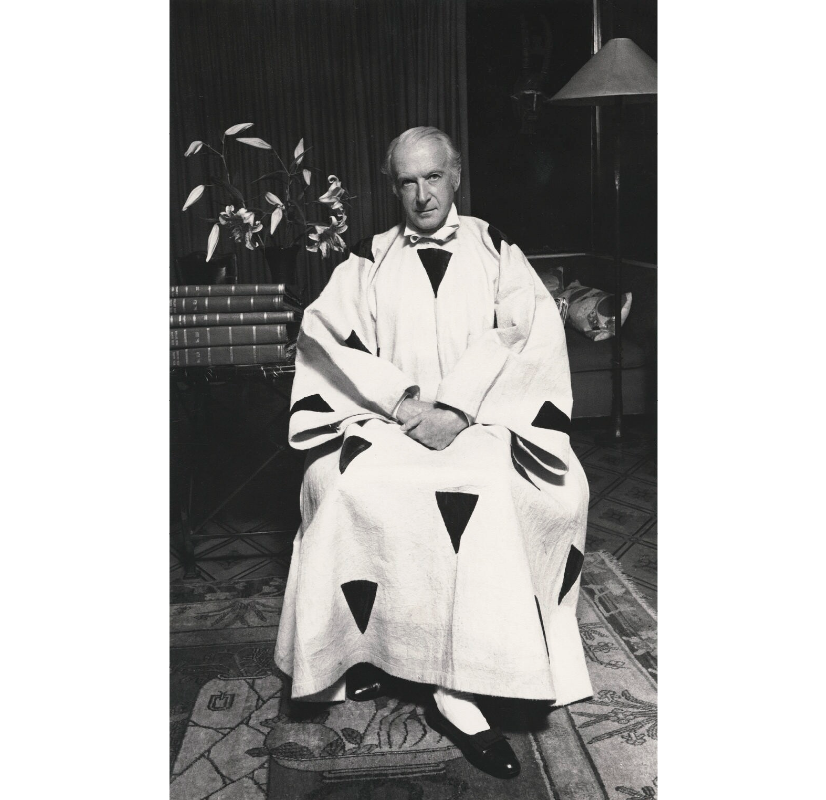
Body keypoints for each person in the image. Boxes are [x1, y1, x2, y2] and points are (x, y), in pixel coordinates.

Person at [275, 126, 592, 780]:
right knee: (344, 487)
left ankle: (460, 688)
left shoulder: (497, 252)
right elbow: (324, 334)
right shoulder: (367, 258)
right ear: (393, 187)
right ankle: (367, 650)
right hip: (389, 422)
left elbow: (523, 333)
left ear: (456, 177)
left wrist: (457, 409)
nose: (422, 195)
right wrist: (402, 403)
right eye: (407, 182)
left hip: (486, 421)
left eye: (434, 178)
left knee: (491, 495)